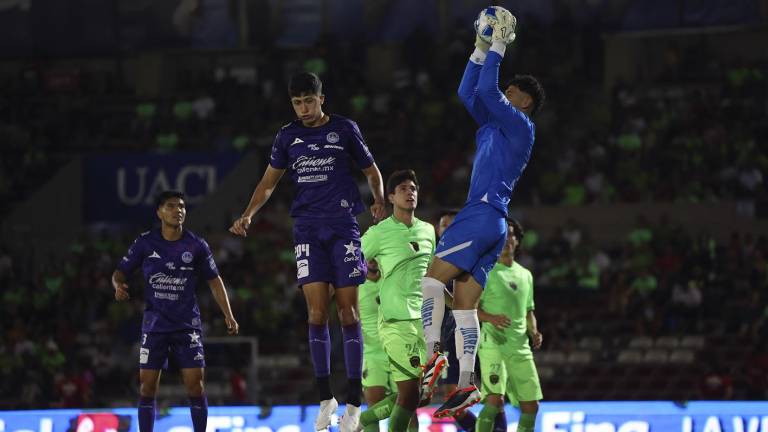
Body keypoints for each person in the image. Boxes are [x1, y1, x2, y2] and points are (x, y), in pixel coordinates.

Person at [229, 71, 386, 431]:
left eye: (308, 101)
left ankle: (353, 400)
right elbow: (269, 182)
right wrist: (248, 214)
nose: (303, 108)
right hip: (307, 230)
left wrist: (377, 199)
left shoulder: (345, 129)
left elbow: (371, 170)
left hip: (344, 225)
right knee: (316, 315)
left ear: (321, 98)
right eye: (297, 103)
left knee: (348, 314)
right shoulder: (287, 136)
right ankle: (324, 396)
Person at [419, 7, 546, 417]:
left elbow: (489, 93)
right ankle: (465, 383)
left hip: (481, 212)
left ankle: (432, 355)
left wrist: (498, 45)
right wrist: (477, 50)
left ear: (523, 102)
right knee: (464, 307)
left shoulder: (520, 125)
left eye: (512, 93)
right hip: (494, 221)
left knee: (430, 283)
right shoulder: (497, 126)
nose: (505, 94)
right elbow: (468, 95)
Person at [112, 190, 239, 432]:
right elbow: (119, 272)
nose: (178, 210)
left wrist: (228, 314)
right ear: (159, 212)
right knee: (147, 388)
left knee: (196, 387)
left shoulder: (196, 244)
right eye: (170, 206)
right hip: (155, 326)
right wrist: (118, 285)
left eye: (181, 206)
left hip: (186, 326)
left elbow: (215, 280)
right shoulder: (145, 242)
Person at [358, 169, 435, 431]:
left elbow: (431, 278)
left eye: (413, 188)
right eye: (402, 188)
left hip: (422, 322)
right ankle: (368, 420)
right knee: (410, 393)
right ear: (390, 197)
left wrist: (455, 304)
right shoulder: (379, 233)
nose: (409, 192)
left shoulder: (428, 231)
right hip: (395, 320)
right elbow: (350, 263)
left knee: (419, 396)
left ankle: (367, 419)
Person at [476, 218, 542, 432]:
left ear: (517, 241)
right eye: (502, 234)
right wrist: (490, 318)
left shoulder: (525, 275)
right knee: (494, 401)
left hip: (519, 345)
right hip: (493, 342)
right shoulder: (485, 271)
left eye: (511, 234)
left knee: (531, 406)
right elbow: (469, 308)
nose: (507, 239)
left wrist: (534, 331)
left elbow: (529, 311)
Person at [360, 258, 396, 408]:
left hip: (398, 350)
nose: (373, 260)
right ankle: (365, 423)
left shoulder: (393, 279)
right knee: (374, 405)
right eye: (369, 256)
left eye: (376, 255)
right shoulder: (355, 286)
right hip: (372, 353)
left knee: (408, 408)